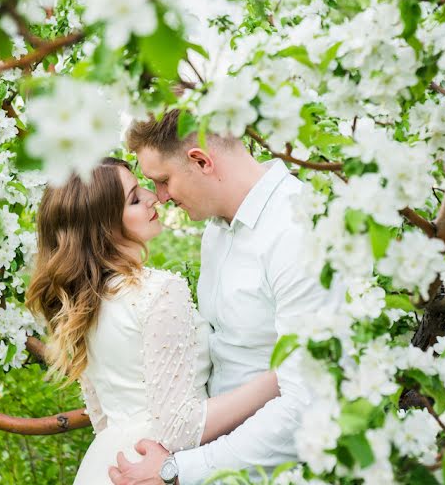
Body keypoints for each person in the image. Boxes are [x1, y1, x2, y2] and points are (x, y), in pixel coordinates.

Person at [108, 110, 343, 485]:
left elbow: (308, 402)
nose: (162, 198)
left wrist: (179, 471)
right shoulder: (216, 232)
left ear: (201, 160)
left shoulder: (298, 230)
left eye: (163, 181)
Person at [25, 157, 281, 485]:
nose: (152, 197)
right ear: (104, 226)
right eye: (134, 198)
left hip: (109, 464)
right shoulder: (157, 292)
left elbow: (103, 418)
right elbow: (181, 428)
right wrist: (276, 380)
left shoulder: (83, 305)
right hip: (151, 467)